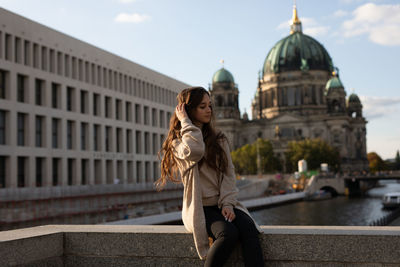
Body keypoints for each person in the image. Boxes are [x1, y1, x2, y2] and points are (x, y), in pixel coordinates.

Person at [156, 87, 264, 266]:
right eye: (202, 107)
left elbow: (229, 173)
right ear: (189, 111)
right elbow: (195, 150)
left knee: (249, 229)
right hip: (200, 207)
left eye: (210, 106)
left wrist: (228, 203)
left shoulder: (219, 138)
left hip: (222, 202)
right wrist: (185, 122)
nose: (209, 110)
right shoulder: (178, 143)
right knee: (228, 234)